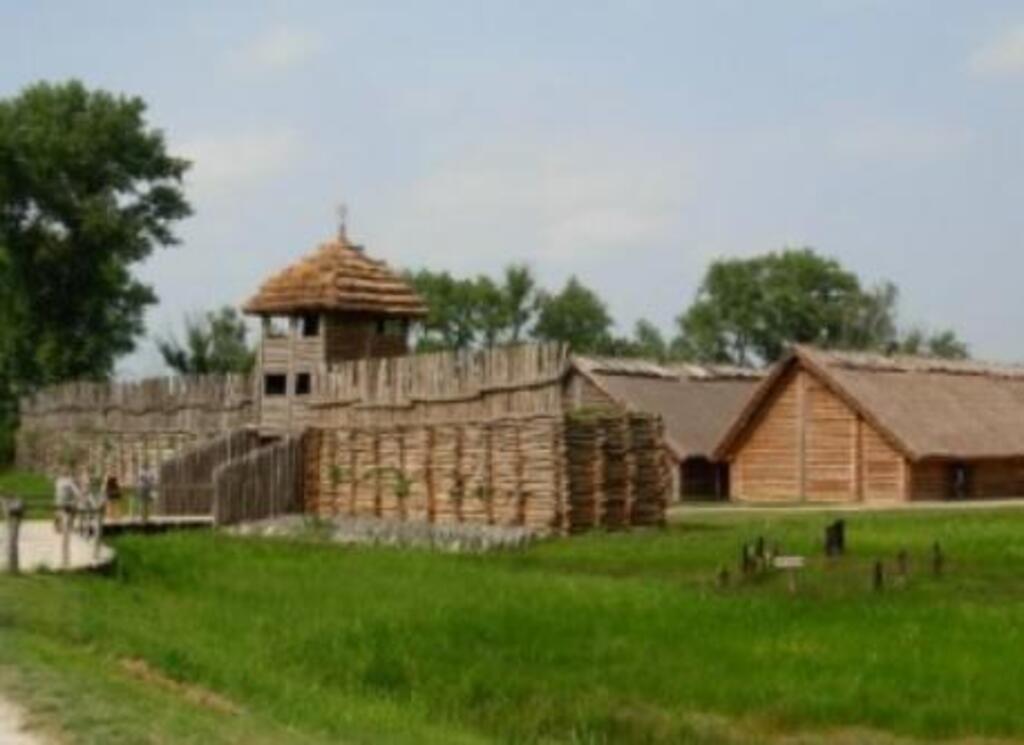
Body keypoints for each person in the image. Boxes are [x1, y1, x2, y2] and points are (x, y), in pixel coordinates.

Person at [53, 470, 81, 534]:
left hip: (58, 501)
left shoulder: (58, 481)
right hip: (67, 502)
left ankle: (57, 525)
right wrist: (79, 496)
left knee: (58, 512)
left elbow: (58, 491)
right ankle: (70, 525)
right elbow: (76, 492)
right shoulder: (70, 482)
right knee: (74, 510)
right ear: (67, 475)